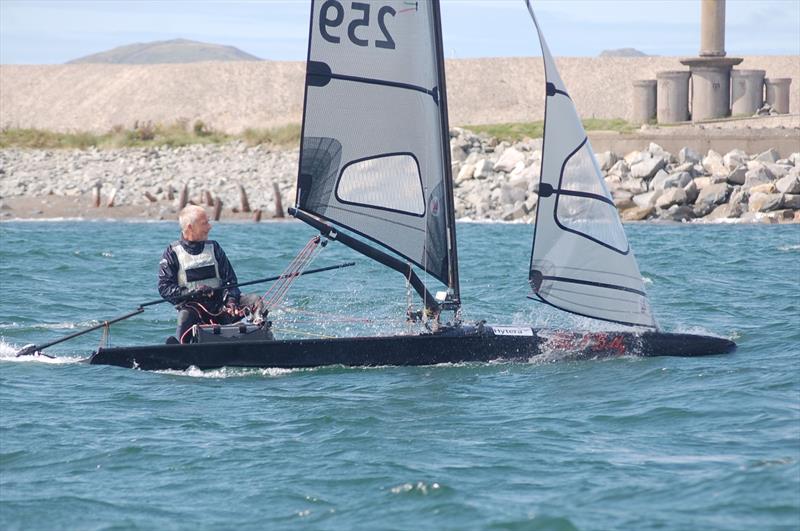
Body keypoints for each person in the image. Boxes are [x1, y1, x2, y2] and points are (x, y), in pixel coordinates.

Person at [158, 205, 262, 343]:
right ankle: (180, 349)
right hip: (194, 311)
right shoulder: (172, 252)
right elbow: (164, 288)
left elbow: (231, 281)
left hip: (222, 307)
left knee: (255, 300)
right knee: (184, 316)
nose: (209, 227)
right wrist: (192, 292)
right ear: (190, 227)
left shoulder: (214, 248)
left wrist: (231, 301)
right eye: (205, 223)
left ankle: (260, 331)